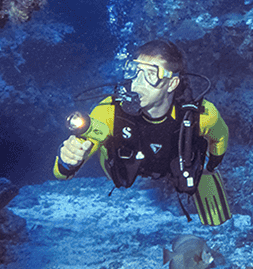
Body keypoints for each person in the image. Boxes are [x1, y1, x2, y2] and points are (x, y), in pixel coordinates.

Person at [54, 40, 232, 225]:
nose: (138, 83)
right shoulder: (109, 111)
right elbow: (62, 172)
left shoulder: (201, 114)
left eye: (151, 74)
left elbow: (220, 136)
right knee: (110, 153)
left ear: (172, 83)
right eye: (135, 71)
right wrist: (67, 161)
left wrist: (210, 167)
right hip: (123, 164)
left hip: (175, 161)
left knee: (193, 161)